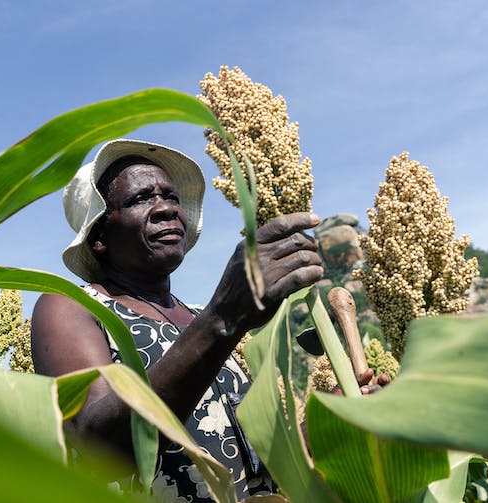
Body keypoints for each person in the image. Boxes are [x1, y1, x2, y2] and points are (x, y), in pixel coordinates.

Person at [31, 139, 387, 501]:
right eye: (141, 199)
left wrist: (330, 422)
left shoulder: (200, 318)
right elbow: (102, 447)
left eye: (170, 196)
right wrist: (225, 317)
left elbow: (250, 459)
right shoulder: (72, 307)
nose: (166, 208)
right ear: (99, 237)